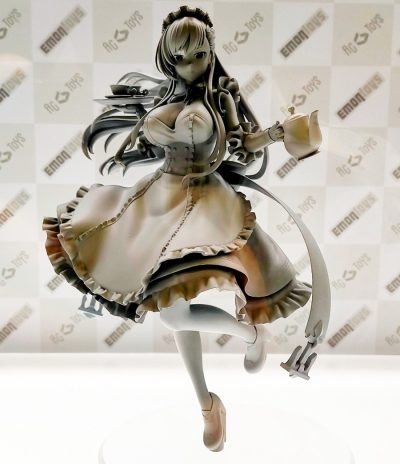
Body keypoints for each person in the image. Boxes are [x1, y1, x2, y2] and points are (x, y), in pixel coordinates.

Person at [42, 6, 319, 452]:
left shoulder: (220, 100)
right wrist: (164, 130)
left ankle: (237, 355)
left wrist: (276, 133)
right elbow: (152, 131)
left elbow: (242, 145)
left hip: (208, 206)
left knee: (174, 312)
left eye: (198, 56)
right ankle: (214, 392)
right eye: (180, 58)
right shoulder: (167, 101)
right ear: (168, 58)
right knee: (174, 310)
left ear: (210, 52)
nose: (190, 66)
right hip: (161, 201)